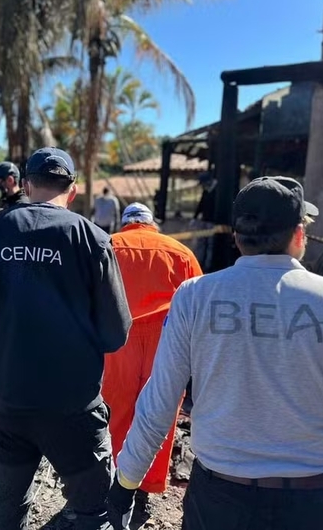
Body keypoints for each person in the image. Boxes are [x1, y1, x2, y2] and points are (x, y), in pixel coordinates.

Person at [108, 176, 323, 530]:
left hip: (218, 499)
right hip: (313, 503)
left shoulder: (194, 297)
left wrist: (125, 483)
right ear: (299, 235)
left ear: (236, 238)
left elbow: (159, 403)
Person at [0, 147, 133, 530]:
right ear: (72, 189)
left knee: (6, 510)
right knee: (94, 513)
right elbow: (115, 333)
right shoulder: (93, 240)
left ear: (27, 184)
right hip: (74, 407)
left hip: (9, 402)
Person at [102, 203, 203, 500]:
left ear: (124, 224)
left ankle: (115, 478)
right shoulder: (180, 252)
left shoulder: (107, 245)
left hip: (117, 336)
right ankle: (145, 484)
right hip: (166, 338)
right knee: (159, 413)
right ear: (152, 224)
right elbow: (198, 301)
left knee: (115, 408)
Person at [191, 171, 218, 271]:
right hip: (204, 220)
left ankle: (208, 265)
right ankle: (199, 263)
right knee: (201, 242)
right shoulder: (206, 190)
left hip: (213, 222)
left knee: (210, 244)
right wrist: (195, 217)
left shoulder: (218, 190)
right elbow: (201, 204)